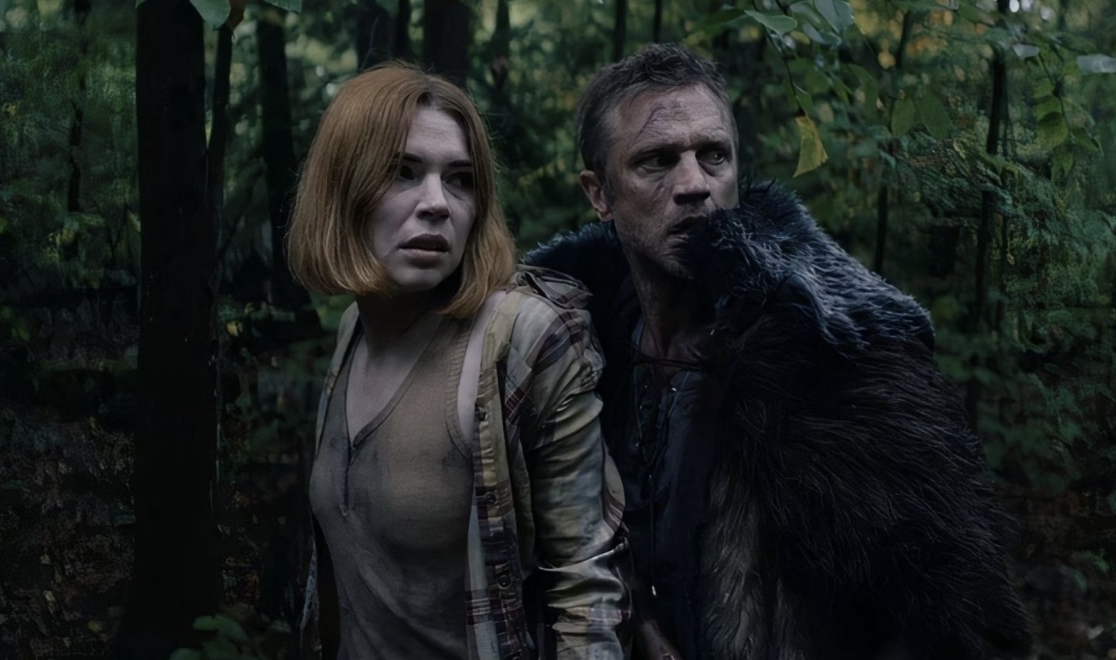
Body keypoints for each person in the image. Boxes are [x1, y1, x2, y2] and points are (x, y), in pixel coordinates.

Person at [525, 44, 1031, 659]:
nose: (694, 185)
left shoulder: (837, 355)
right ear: (599, 193)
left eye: (713, 156)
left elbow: (961, 620)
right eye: (656, 161)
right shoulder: (563, 349)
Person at [287, 63, 630, 659]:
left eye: (461, 180)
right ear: (342, 187)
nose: (437, 204)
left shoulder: (521, 338)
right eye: (402, 172)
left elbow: (589, 590)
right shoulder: (353, 330)